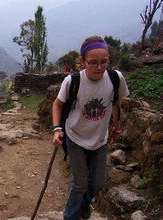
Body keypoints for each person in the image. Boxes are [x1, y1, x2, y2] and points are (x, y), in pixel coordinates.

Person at [51, 35, 129, 219]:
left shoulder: (115, 78)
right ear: (82, 61)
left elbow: (116, 102)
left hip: (99, 139)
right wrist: (57, 129)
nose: (100, 67)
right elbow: (57, 104)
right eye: (93, 62)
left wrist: (116, 126)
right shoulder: (73, 82)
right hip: (75, 136)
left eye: (104, 61)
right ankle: (70, 215)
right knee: (80, 183)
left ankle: (85, 204)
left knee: (98, 183)